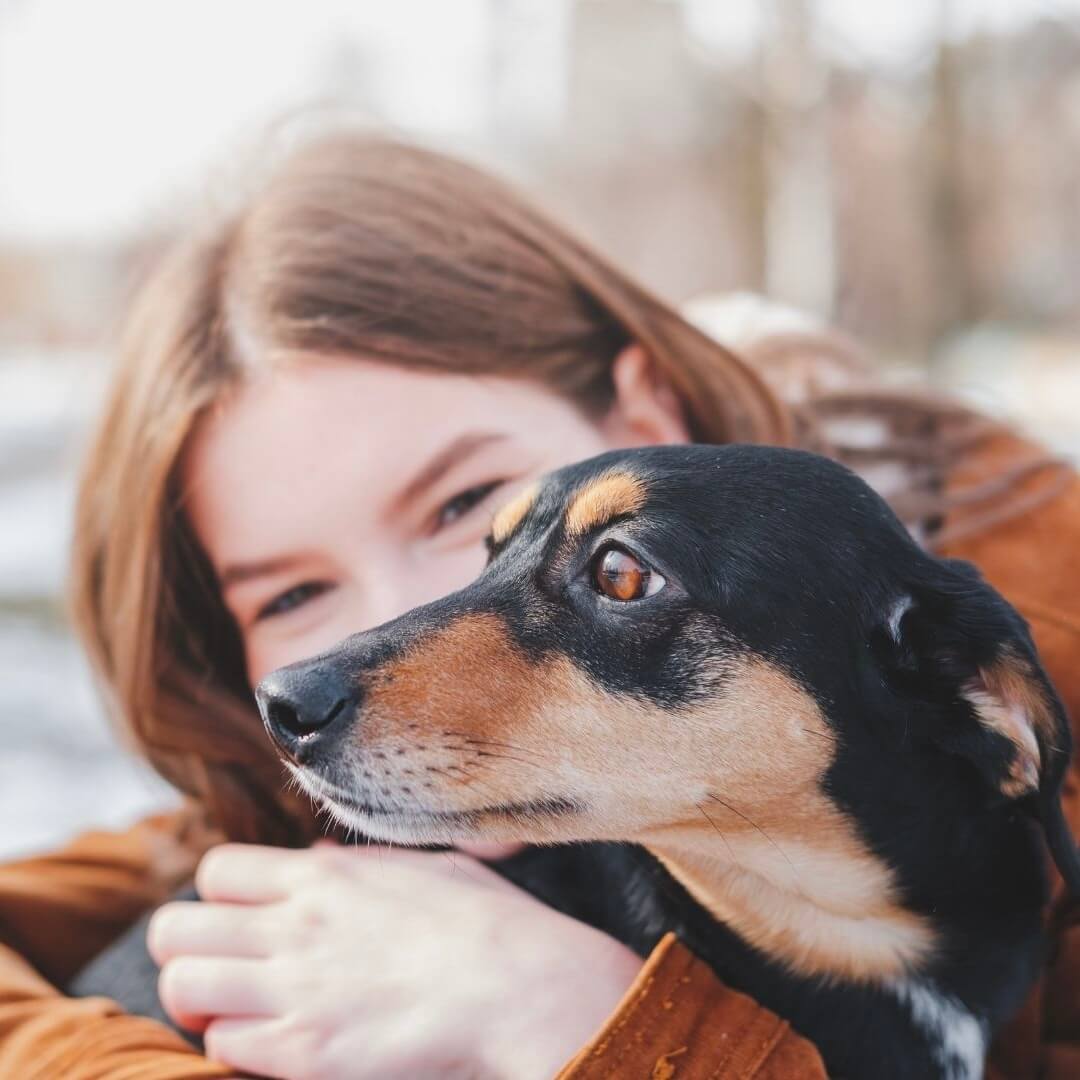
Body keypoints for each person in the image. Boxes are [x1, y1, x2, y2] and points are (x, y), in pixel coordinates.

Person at [0, 132, 1077, 1080]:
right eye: (292, 592)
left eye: (468, 504)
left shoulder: (988, 661)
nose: (386, 631)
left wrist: (583, 1022)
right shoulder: (331, 865)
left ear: (646, 412)